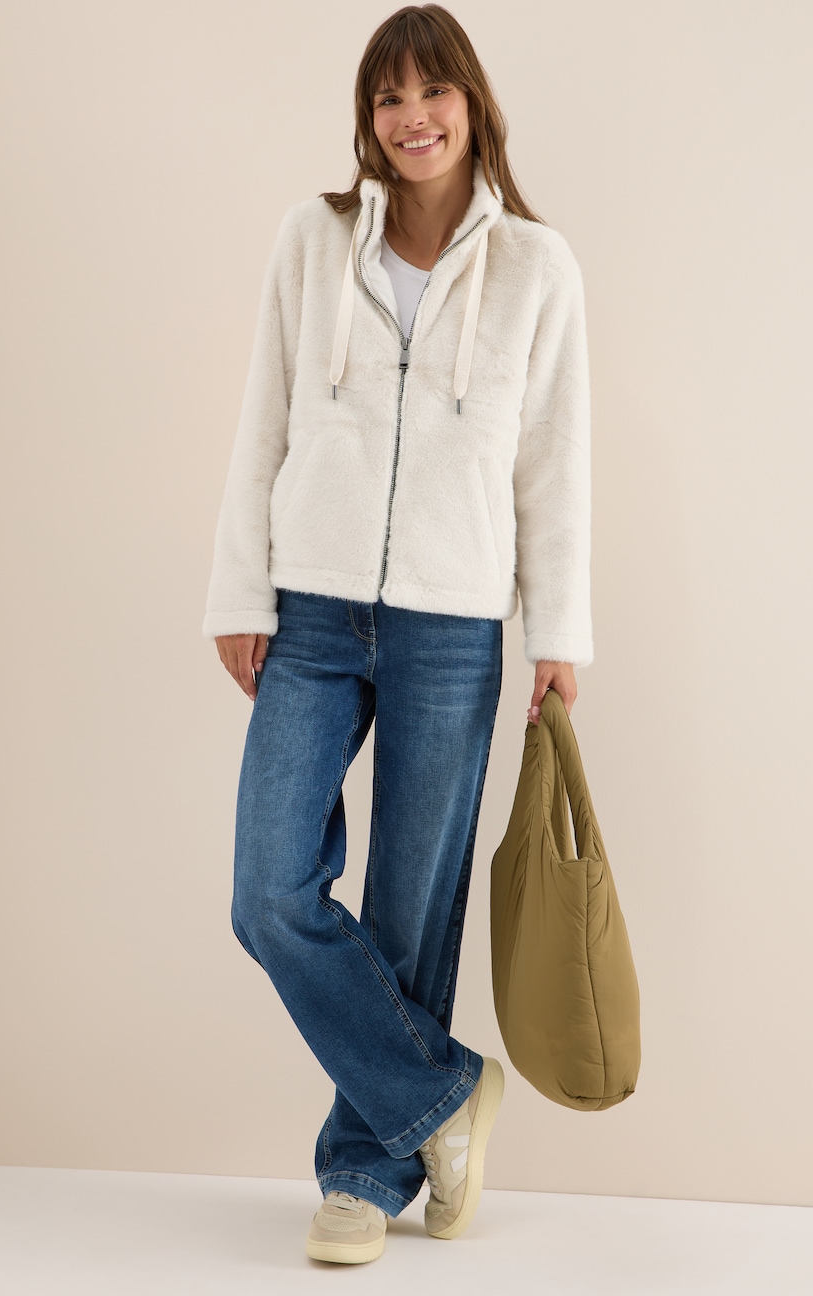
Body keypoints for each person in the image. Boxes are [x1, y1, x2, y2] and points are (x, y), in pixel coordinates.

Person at [203, 2, 593, 1266]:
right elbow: (263, 417)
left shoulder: (537, 266)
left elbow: (554, 467)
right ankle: (445, 1091)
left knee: (411, 910)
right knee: (269, 892)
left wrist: (557, 631)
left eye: (434, 92)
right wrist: (240, 595)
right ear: (366, 120)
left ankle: (365, 1178)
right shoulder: (312, 241)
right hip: (313, 614)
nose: (412, 117)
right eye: (388, 97)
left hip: (454, 624)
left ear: (473, 106)